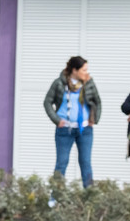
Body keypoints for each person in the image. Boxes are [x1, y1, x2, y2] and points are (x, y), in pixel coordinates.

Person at [42, 55, 102, 187]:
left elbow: (97, 101)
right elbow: (47, 102)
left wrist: (94, 119)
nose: (86, 73)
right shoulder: (59, 83)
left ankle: (90, 194)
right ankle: (56, 195)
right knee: (62, 163)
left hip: (85, 129)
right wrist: (57, 120)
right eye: (83, 70)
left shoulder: (89, 83)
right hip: (65, 130)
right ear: (75, 70)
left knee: (85, 163)